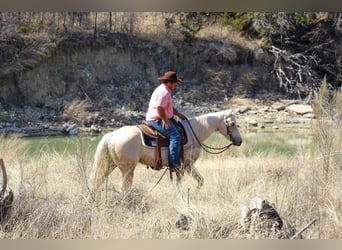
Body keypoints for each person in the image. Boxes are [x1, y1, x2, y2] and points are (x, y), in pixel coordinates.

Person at [146, 71, 187, 172]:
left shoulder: (163, 89)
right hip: (156, 119)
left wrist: (178, 114)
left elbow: (167, 106)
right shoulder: (164, 93)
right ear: (169, 82)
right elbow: (160, 108)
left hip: (156, 116)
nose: (176, 85)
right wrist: (165, 120)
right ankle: (173, 165)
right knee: (175, 137)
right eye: (175, 83)